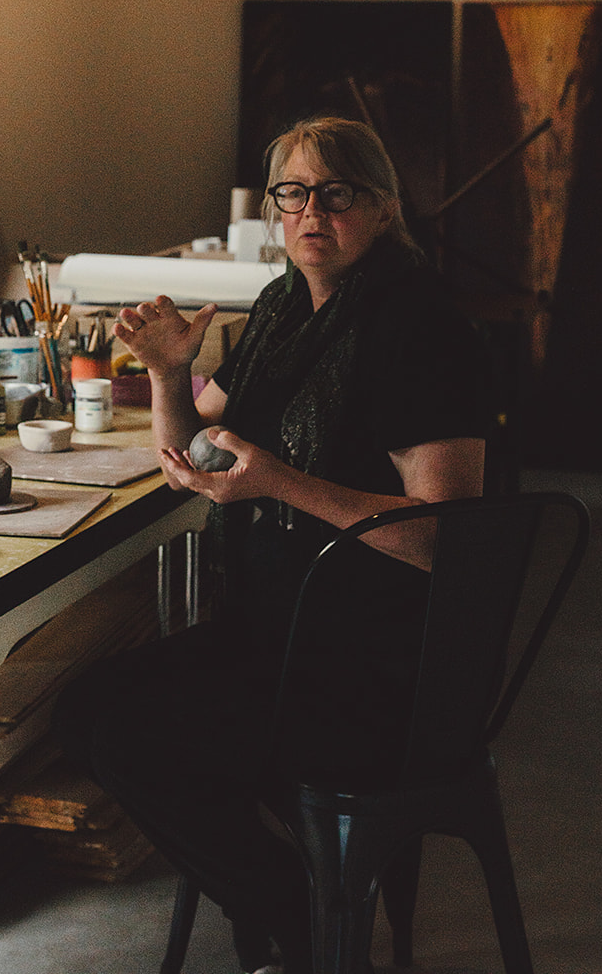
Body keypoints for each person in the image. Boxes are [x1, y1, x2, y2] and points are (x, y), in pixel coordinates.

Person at [53, 116, 491, 974]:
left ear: (385, 208)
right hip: (282, 634)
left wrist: (282, 484)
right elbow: (191, 461)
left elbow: (447, 542)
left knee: (134, 741)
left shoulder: (419, 328)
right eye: (291, 193)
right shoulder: (285, 307)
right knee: (83, 714)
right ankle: (303, 911)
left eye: (336, 193)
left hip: (378, 668)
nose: (309, 213)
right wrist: (167, 372)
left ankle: (304, 926)